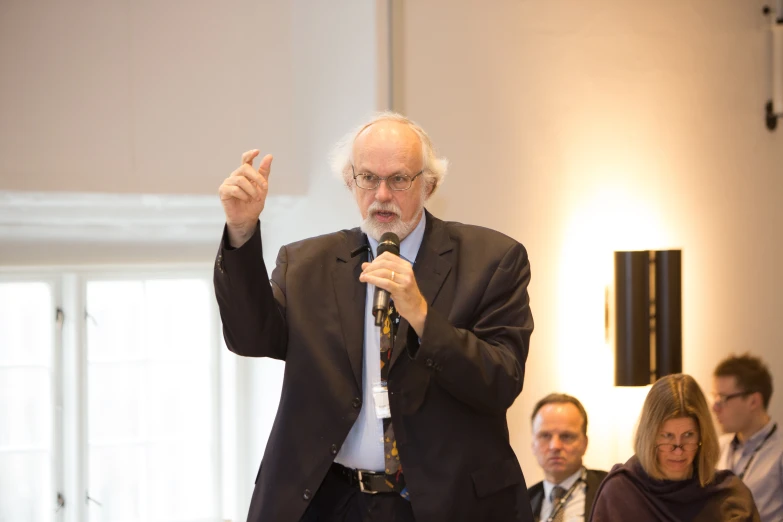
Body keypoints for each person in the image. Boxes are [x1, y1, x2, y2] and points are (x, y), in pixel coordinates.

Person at [214, 112, 535, 522]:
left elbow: (501, 380)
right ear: (351, 182)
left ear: (429, 184)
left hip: (445, 504)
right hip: (331, 501)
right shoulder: (306, 263)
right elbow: (250, 337)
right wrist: (241, 231)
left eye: (399, 179)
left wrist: (422, 316)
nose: (382, 194)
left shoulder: (492, 260)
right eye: (367, 178)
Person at [589, 374, 759, 522]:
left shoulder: (730, 497)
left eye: (688, 435)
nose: (678, 451)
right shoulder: (620, 492)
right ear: (650, 436)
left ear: (702, 436)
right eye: (667, 436)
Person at [713, 354, 782, 522]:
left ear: (753, 401)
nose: (715, 407)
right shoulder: (718, 447)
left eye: (723, 398)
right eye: (715, 397)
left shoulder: (779, 451)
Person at [527, 393, 607, 522]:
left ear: (585, 443)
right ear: (533, 444)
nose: (555, 446)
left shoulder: (609, 489)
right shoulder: (523, 501)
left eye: (566, 436)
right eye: (545, 436)